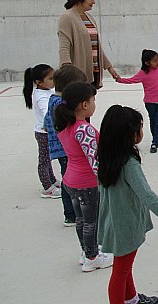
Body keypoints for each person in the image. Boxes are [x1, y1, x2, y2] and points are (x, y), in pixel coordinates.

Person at [97, 105, 158, 304]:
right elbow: (147, 195)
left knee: (124, 267)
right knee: (120, 271)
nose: (142, 132)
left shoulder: (107, 157)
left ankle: (132, 299)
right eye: (140, 128)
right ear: (129, 135)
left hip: (115, 221)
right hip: (125, 224)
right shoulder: (128, 163)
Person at [54, 82, 113, 272]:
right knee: (91, 221)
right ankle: (92, 257)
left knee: (80, 220)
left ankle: (87, 251)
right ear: (84, 105)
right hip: (86, 184)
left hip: (71, 180)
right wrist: (107, 179)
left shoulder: (64, 126)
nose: (94, 103)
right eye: (93, 100)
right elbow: (94, 160)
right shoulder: (83, 129)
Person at [116, 49, 158, 153]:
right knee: (153, 121)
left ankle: (155, 141)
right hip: (150, 102)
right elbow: (132, 80)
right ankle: (156, 140)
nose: (157, 62)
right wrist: (120, 80)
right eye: (155, 60)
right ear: (147, 62)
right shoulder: (143, 73)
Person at [45, 64, 88, 226]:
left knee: (68, 179)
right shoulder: (61, 105)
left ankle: (72, 213)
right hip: (65, 150)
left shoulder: (53, 100)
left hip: (61, 148)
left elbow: (45, 123)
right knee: (69, 182)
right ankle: (71, 214)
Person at [58, 0, 119, 88]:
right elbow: (64, 46)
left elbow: (96, 47)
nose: (94, 2)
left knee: (90, 103)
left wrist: (109, 67)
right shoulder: (67, 17)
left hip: (94, 71)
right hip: (78, 73)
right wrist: (67, 68)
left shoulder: (89, 17)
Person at [23, 64, 60, 198]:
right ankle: (47, 188)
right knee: (44, 160)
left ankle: (53, 181)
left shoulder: (48, 90)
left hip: (48, 131)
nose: (53, 81)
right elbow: (48, 114)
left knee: (48, 158)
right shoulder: (41, 96)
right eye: (50, 78)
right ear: (39, 82)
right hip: (43, 133)